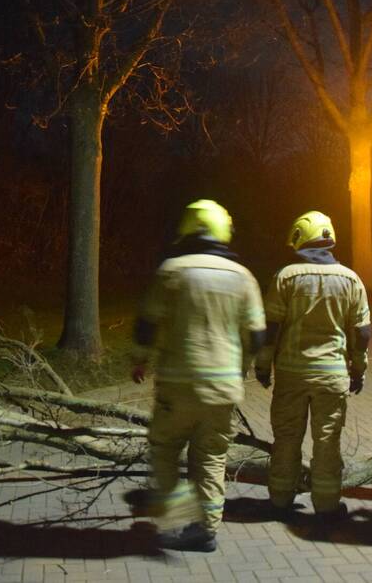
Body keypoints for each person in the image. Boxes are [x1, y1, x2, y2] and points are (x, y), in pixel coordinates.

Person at [132, 199, 266, 552]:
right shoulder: (243, 277)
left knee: (165, 450)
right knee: (211, 457)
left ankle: (178, 521)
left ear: (188, 228)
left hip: (178, 385)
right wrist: (241, 368)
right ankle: (206, 530)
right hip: (223, 389)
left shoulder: (172, 270)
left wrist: (140, 360)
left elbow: (147, 324)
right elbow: (256, 336)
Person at [254, 211, 370, 527]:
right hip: (332, 375)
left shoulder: (285, 277)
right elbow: (362, 332)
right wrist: (358, 369)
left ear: (299, 237)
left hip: (292, 374)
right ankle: (327, 506)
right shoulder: (350, 279)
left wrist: (263, 366)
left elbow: (271, 328)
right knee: (327, 442)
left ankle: (280, 501)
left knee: (286, 439)